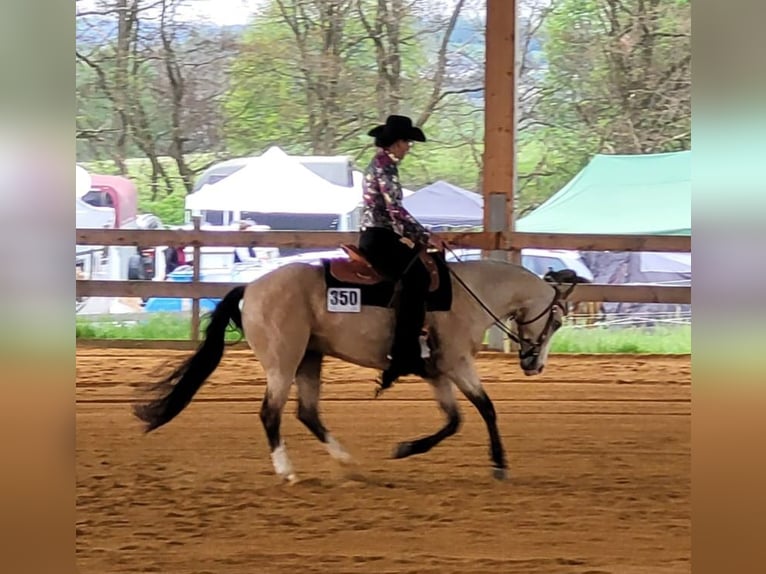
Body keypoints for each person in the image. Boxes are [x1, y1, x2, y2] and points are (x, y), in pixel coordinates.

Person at [358, 114, 443, 389]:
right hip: (379, 236)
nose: (408, 147)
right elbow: (395, 210)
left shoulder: (380, 164)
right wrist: (425, 236)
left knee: (414, 275)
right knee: (416, 278)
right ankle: (405, 352)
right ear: (395, 143)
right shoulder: (385, 168)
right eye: (406, 141)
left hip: (378, 234)